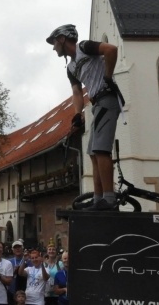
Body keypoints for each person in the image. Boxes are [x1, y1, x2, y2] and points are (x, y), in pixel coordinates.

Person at [47, 24, 120, 211]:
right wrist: (77, 114)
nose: (54, 47)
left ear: (63, 39)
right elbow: (77, 91)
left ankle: (109, 200)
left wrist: (108, 77)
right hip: (96, 103)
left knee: (101, 150)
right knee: (93, 153)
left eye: (54, 42)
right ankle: (98, 200)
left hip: (107, 98)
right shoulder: (71, 67)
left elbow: (111, 49)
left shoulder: (84, 47)